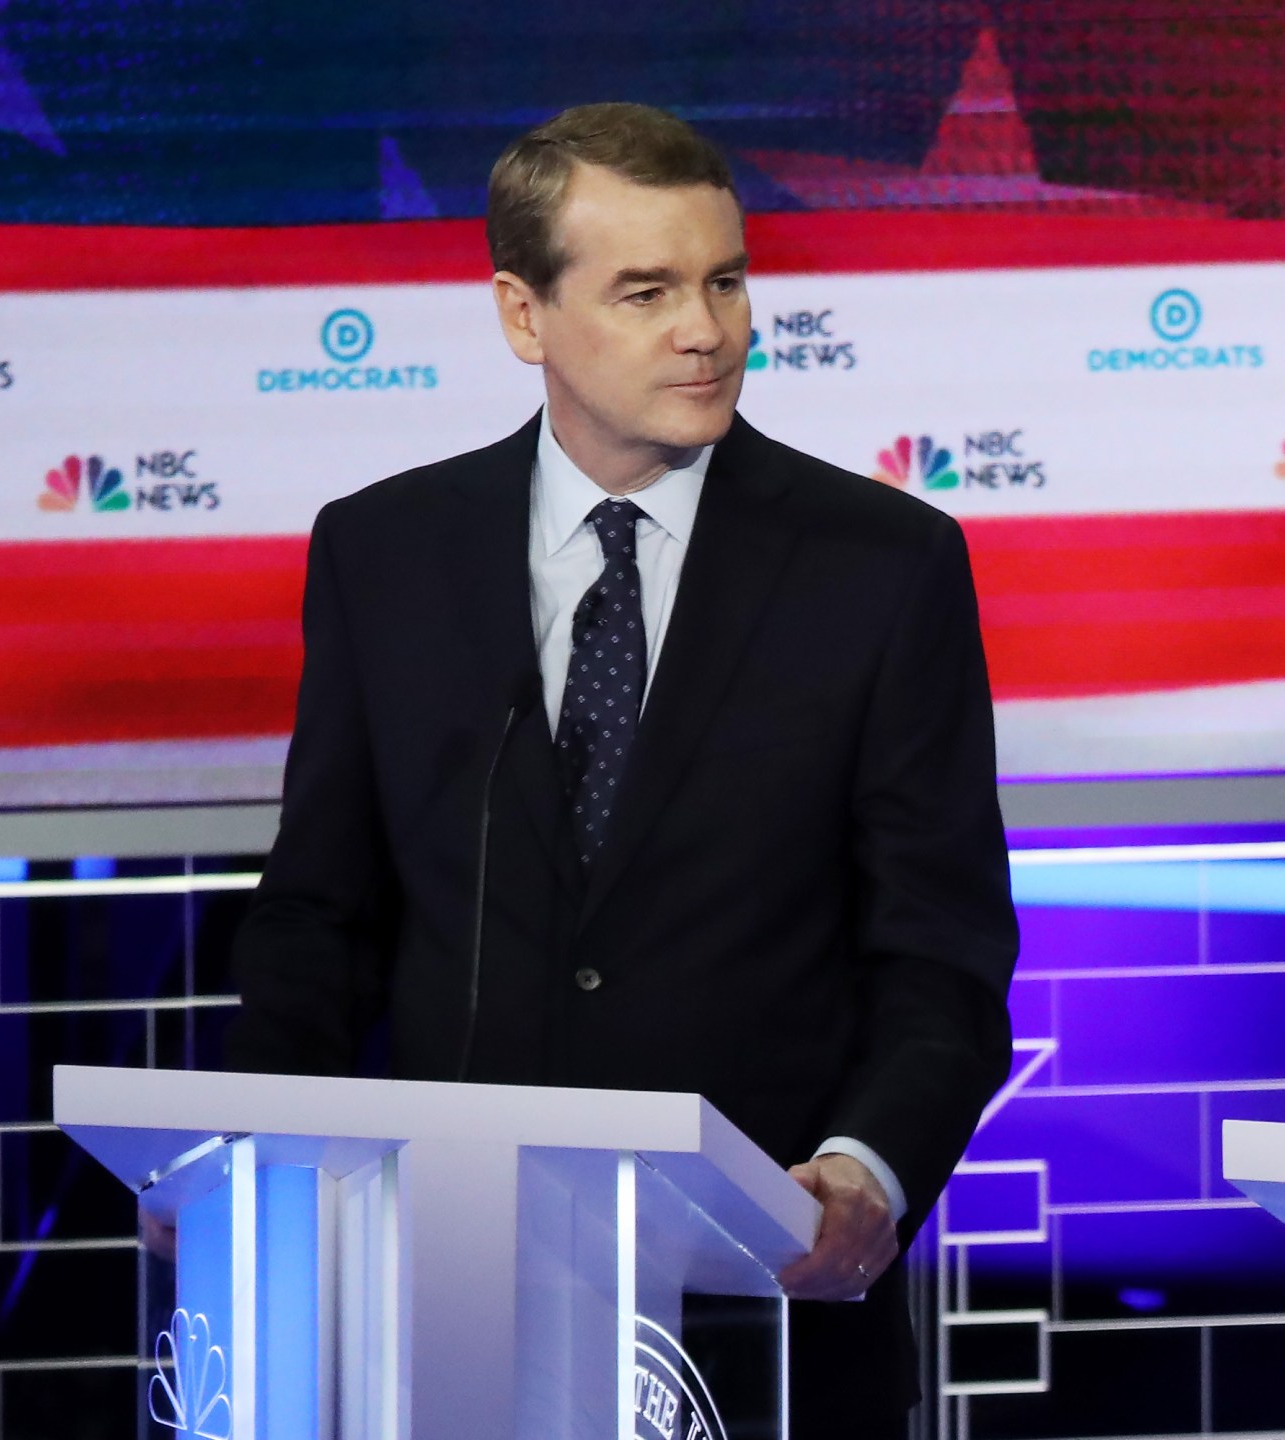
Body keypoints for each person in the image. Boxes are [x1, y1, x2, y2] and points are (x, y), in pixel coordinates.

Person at [225, 103, 1017, 1435]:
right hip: (452, 1295)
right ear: (522, 315)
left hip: (762, 1302)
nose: (706, 329)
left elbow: (941, 952)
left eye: (724, 279)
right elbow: (321, 919)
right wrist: (250, 1169)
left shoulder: (884, 568)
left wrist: (867, 1172)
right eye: (645, 291)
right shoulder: (386, 554)